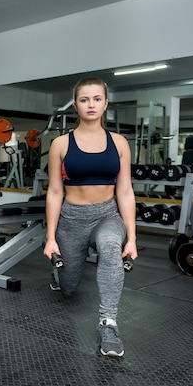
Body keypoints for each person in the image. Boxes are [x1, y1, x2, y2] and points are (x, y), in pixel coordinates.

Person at [42, 76, 137, 357]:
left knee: (110, 246)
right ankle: (60, 274)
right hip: (71, 219)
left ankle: (108, 323)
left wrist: (131, 238)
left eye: (97, 99)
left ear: (106, 103)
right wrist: (50, 238)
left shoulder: (119, 143)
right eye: (84, 99)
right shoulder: (60, 144)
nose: (91, 104)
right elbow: (55, 192)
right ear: (76, 105)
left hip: (107, 215)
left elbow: (126, 191)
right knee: (69, 286)